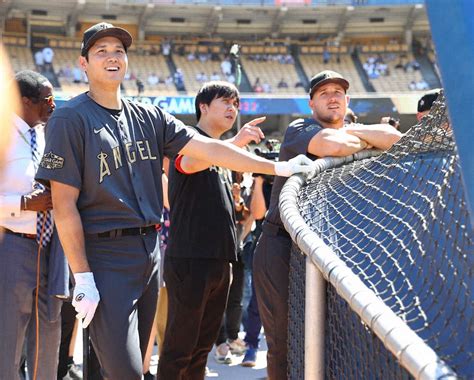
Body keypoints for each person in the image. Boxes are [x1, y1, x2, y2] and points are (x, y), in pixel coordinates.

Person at [35, 23, 314, 380]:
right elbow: (63, 204)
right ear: (83, 64)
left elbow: (211, 149)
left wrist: (278, 165)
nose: (112, 57)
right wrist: (83, 275)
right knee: (126, 371)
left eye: (118, 50)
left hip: (150, 252)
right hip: (104, 255)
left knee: (131, 365)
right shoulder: (68, 118)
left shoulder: (148, 114)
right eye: (101, 51)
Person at [253, 70, 402, 380]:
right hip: (281, 246)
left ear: (347, 100)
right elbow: (331, 146)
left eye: (338, 92)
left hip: (328, 251)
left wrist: (354, 134)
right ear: (311, 103)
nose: (332, 96)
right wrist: (363, 139)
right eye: (324, 93)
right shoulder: (298, 128)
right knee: (283, 340)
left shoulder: (350, 128)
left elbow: (395, 140)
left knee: (332, 337)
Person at [157, 81, 266, 378]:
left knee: (201, 349)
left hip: (220, 261)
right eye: (225, 102)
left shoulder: (222, 155)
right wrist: (237, 143)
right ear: (203, 107)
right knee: (180, 348)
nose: (233, 109)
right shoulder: (188, 139)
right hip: (191, 260)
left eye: (236, 104)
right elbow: (190, 163)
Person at [0, 70, 60, 380]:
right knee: (8, 340)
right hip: (13, 245)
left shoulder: (49, 133)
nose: (53, 105)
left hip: (52, 248)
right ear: (24, 101)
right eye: (47, 100)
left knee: (48, 339)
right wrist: (24, 204)